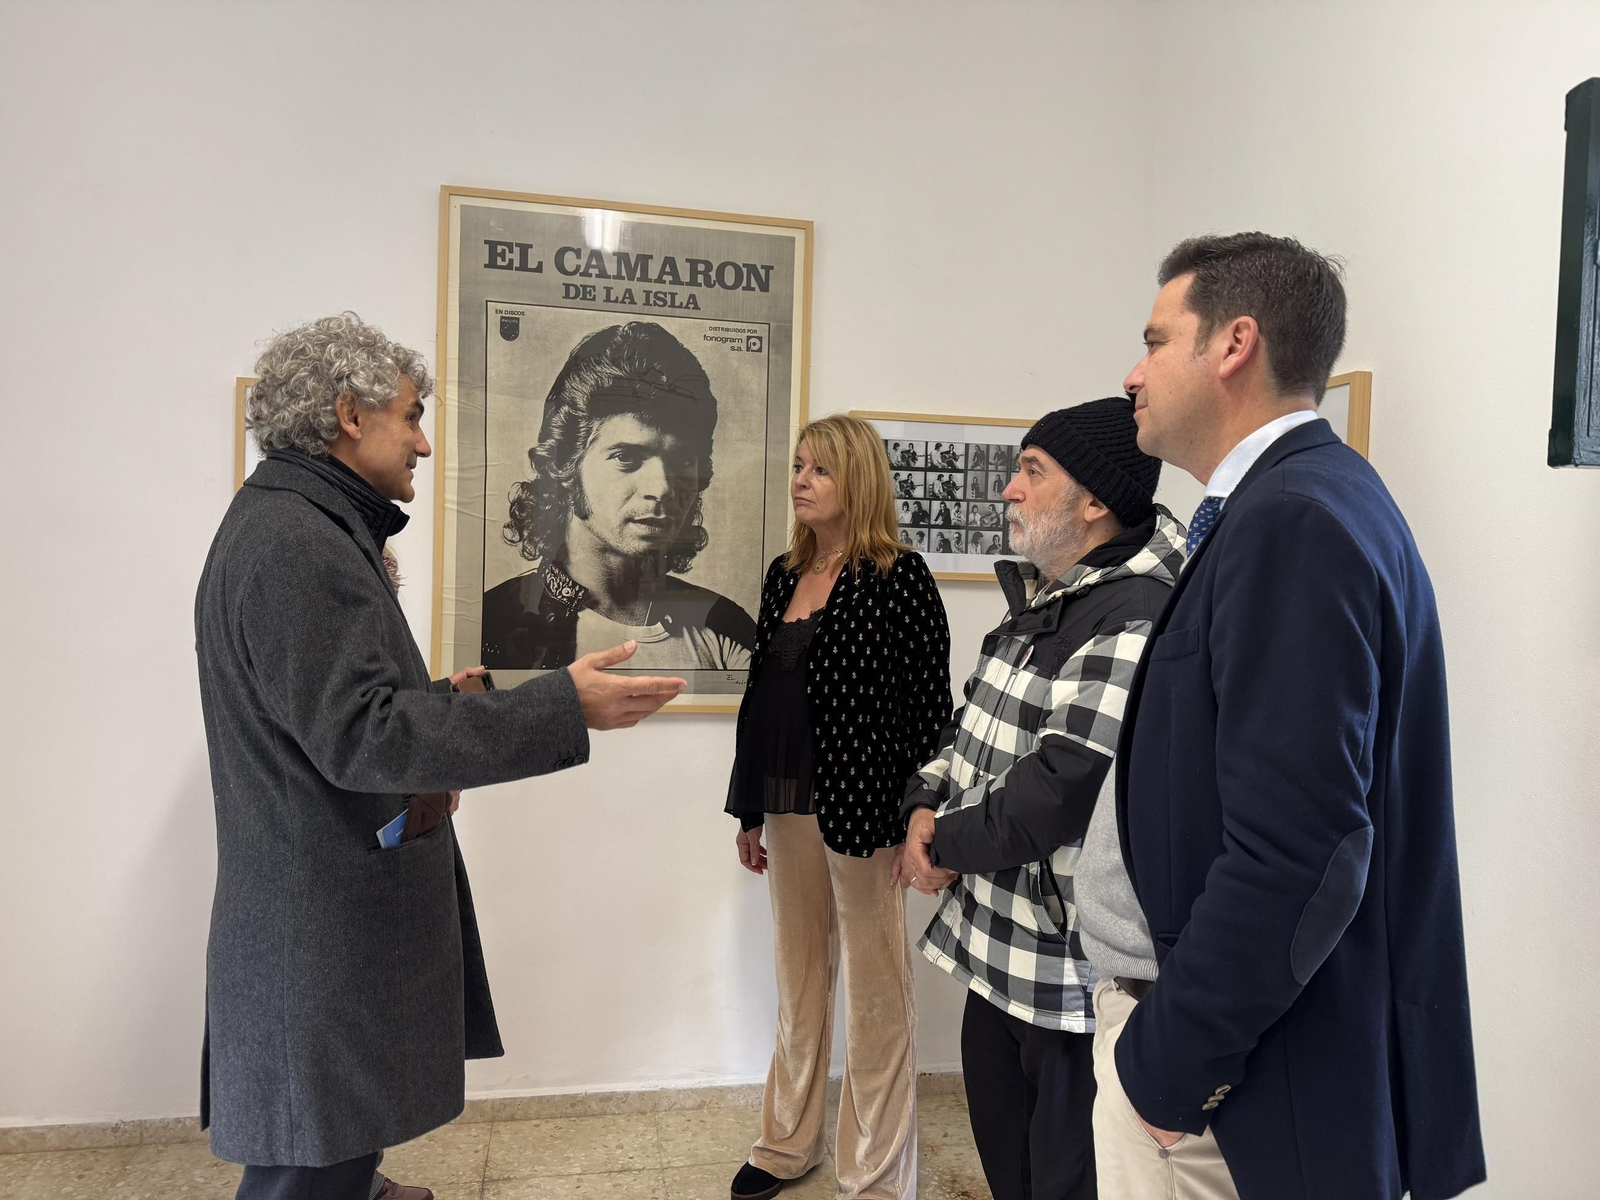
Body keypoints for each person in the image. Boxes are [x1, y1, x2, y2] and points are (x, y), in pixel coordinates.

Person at [197, 313, 685, 1200]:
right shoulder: (299, 544)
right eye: (411, 417)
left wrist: (454, 709)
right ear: (349, 414)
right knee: (307, 1148)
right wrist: (556, 705)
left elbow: (333, 716)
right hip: (319, 918)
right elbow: (363, 737)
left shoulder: (304, 524)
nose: (423, 443)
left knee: (334, 1132)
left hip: (323, 904)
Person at [1107, 233, 1486, 1200]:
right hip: (1245, 1063)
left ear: (1233, 345)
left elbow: (1301, 851)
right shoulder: (1306, 499)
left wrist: (1169, 1064)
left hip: (1239, 1088)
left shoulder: (1294, 518)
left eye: (1155, 341)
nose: (1132, 372)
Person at [900, 399, 1182, 1200]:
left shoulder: (1135, 610)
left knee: (1061, 1183)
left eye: (1032, 471)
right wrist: (922, 801)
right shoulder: (1047, 597)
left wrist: (939, 846)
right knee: (1009, 1172)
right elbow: (974, 730)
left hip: (1067, 983)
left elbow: (1059, 787)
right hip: (997, 959)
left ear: (1094, 500)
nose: (1008, 491)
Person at [723, 414, 952, 1200]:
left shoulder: (900, 577)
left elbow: (929, 713)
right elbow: (762, 700)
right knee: (798, 980)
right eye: (796, 466)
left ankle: (877, 1173)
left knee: (877, 995)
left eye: (817, 468)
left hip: (867, 815)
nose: (800, 481)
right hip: (786, 808)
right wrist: (748, 809)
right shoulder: (784, 575)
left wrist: (923, 814)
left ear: (857, 478)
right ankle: (786, 1146)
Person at [482, 321, 756, 671]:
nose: (662, 489)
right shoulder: (494, 623)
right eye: (627, 457)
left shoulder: (726, 629)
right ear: (566, 463)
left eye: (681, 462)